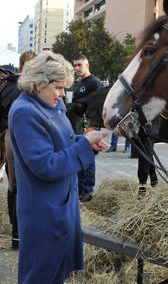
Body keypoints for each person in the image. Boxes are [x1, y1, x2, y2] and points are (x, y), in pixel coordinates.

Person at [8, 51, 107, 284]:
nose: (64, 94)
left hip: (61, 205)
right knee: (41, 275)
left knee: (57, 273)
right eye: (59, 88)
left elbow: (63, 141)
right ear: (40, 82)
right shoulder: (25, 112)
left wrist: (87, 142)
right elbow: (46, 165)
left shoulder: (50, 104)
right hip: (44, 211)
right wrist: (83, 145)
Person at [71, 55, 104, 201]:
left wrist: (94, 129)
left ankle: (87, 191)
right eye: (75, 65)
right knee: (79, 158)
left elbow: (99, 106)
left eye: (79, 65)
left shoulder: (94, 83)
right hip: (78, 127)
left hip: (90, 126)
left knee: (88, 158)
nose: (77, 68)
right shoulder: (78, 84)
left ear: (87, 65)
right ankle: (80, 190)